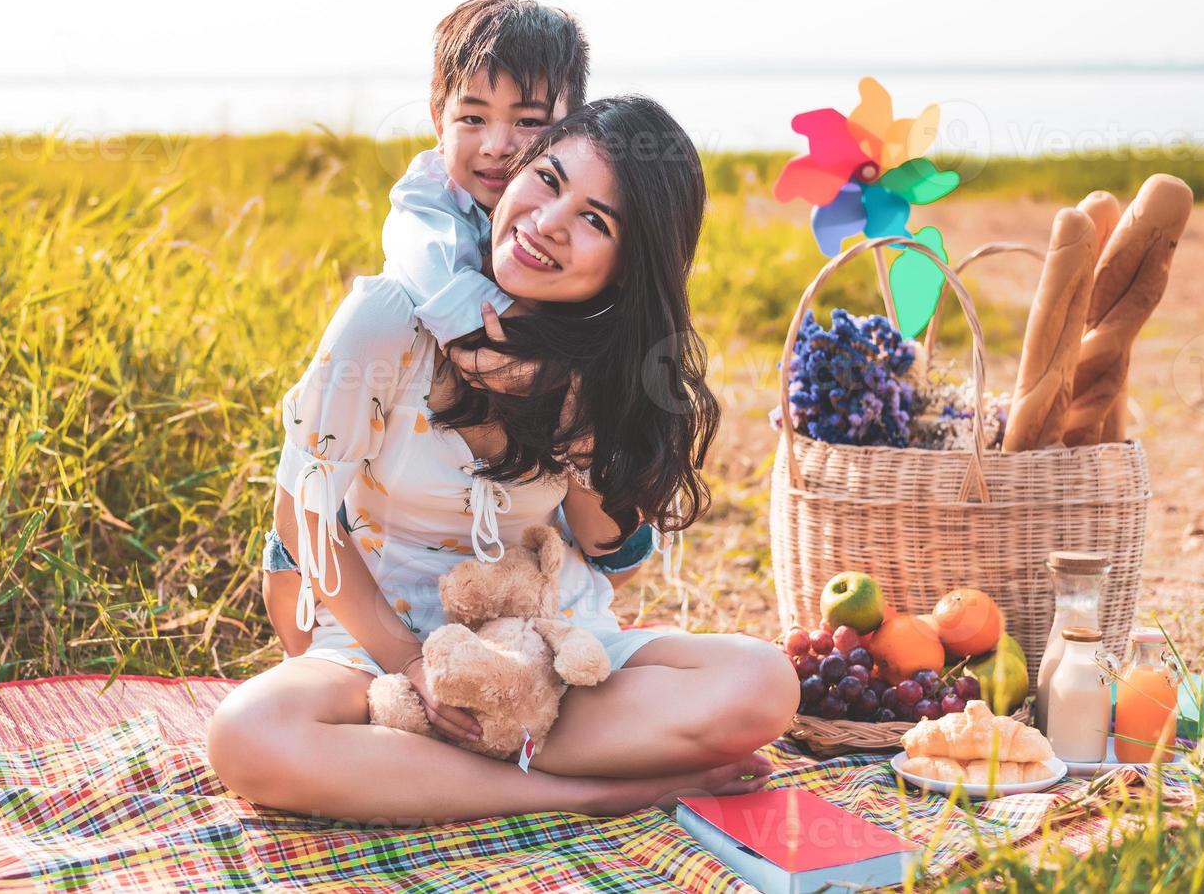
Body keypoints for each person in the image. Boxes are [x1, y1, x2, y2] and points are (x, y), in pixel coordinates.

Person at [208, 96, 799, 823]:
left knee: (764, 683)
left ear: (627, 266)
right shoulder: (390, 318)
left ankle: (427, 766)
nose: (548, 222)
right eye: (549, 180)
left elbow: (611, 549)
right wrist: (413, 664)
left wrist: (581, 412)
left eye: (595, 220)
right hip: (384, 646)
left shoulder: (611, 363)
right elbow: (301, 517)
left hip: (543, 656)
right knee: (247, 736)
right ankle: (600, 792)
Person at [262, 0, 666, 658]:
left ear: (573, 130)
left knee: (621, 542)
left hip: (529, 544)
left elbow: (611, 535)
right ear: (437, 120)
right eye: (472, 117)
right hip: (350, 529)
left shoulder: (571, 247)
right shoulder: (426, 221)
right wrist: (475, 338)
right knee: (300, 576)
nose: (497, 146)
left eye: (529, 123)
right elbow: (424, 265)